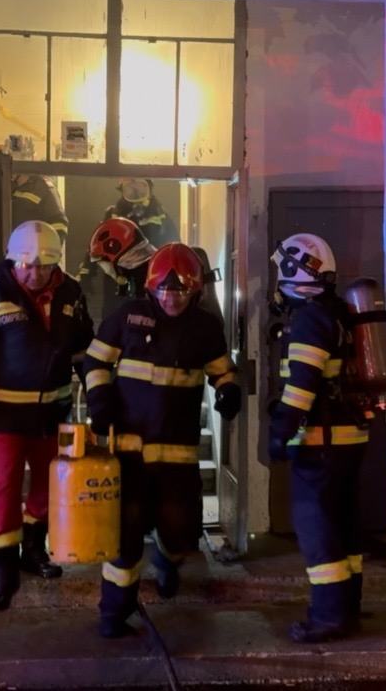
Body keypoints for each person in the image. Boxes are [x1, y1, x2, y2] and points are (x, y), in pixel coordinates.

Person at [81, 243, 242, 638]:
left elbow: (222, 371)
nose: (171, 299)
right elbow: (95, 361)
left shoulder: (205, 328)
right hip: (129, 453)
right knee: (125, 538)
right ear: (151, 288)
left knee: (179, 528)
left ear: (195, 291)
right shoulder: (128, 317)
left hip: (177, 455)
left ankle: (168, 561)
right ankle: (113, 614)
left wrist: (228, 390)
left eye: (181, 291)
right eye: (164, 291)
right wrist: (100, 403)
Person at [0, 220, 94, 612]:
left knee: (48, 486)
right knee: (4, 488)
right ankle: (4, 572)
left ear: (56, 263)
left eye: (44, 266)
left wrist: (98, 395)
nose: (36, 274)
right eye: (28, 266)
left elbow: (84, 351)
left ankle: (35, 551)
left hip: (53, 414)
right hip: (5, 416)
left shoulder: (71, 293)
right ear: (14, 261)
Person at [266, 232, 368, 643]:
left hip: (320, 442)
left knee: (315, 524)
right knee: (343, 522)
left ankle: (327, 616)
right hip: (349, 439)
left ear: (293, 273)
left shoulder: (309, 318)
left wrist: (280, 431)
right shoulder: (339, 312)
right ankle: (348, 608)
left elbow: (302, 383)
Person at [85, 216, 158, 321]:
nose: (103, 268)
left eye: (102, 261)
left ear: (122, 256)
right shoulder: (141, 279)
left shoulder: (151, 287)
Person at [107, 177, 170, 247]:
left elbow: (171, 242)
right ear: (122, 191)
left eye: (140, 187)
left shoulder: (159, 213)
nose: (136, 192)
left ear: (149, 189)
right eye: (130, 188)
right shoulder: (113, 214)